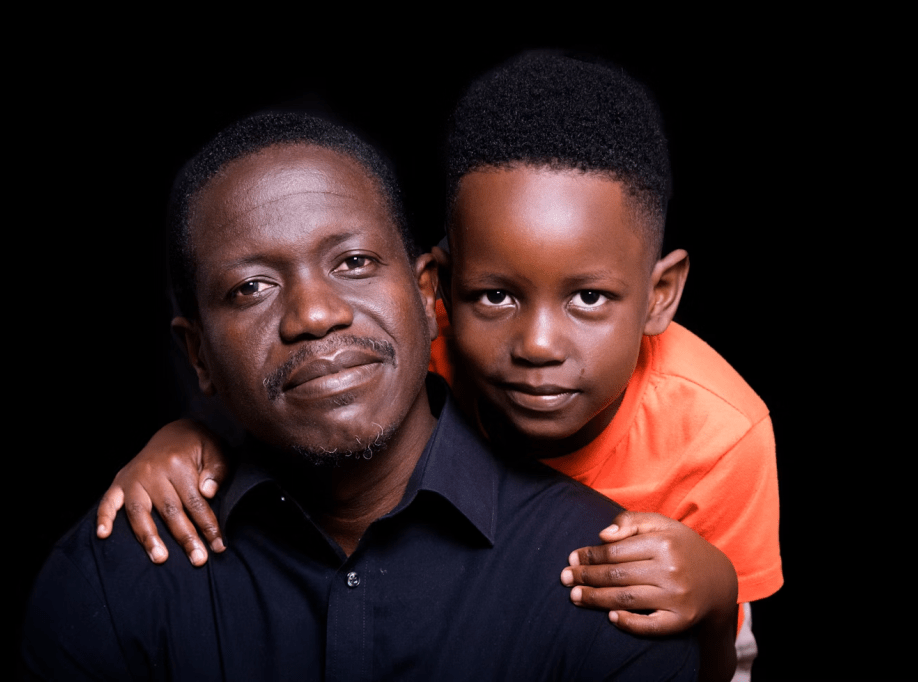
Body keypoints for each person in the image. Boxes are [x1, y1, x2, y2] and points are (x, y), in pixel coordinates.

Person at [97, 54, 780, 681]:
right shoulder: (409, 351)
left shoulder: (722, 435)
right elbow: (284, 395)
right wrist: (191, 436)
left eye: (589, 297)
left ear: (660, 295)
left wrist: (719, 601)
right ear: (436, 291)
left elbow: (721, 664)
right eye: (496, 295)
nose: (537, 343)